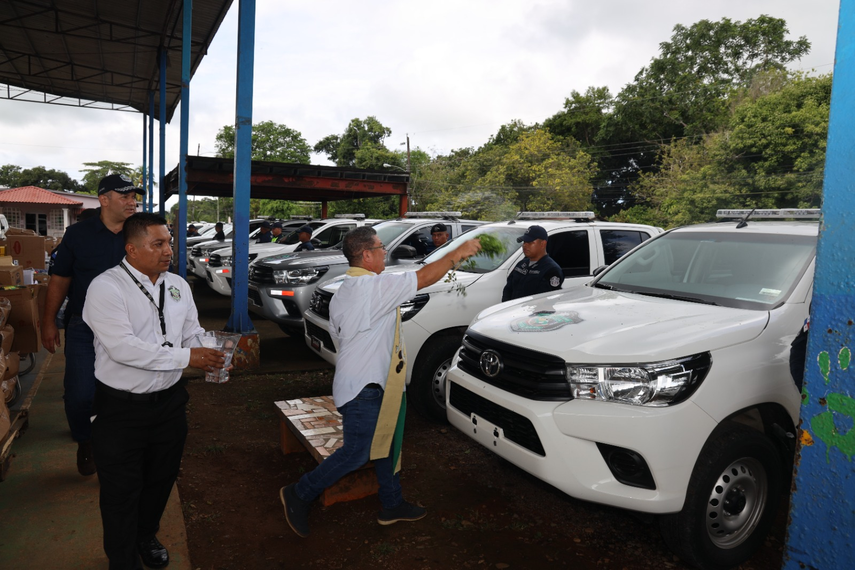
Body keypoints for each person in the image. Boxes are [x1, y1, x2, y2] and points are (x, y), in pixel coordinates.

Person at [280, 226, 481, 538]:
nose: (385, 251)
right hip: (365, 387)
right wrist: (457, 254)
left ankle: (391, 503)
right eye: (380, 247)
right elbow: (425, 277)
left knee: (387, 444)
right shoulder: (374, 287)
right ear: (366, 255)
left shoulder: (345, 288)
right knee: (358, 452)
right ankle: (300, 492)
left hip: (370, 381)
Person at [82, 212, 227, 570]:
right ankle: (122, 559)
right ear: (131, 249)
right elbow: (123, 348)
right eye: (158, 243)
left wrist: (211, 350)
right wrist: (188, 356)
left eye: (169, 241)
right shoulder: (106, 287)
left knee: (161, 478)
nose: (168, 250)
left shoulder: (178, 284)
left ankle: (145, 534)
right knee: (120, 491)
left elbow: (191, 332)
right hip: (121, 409)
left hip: (169, 405)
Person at [42, 174, 142, 477]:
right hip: (84, 328)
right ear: (104, 200)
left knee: (129, 392)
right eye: (124, 196)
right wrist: (48, 321)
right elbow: (60, 279)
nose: (131, 201)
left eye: (133, 196)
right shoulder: (78, 234)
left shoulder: (141, 232)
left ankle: (123, 451)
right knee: (80, 393)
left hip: (132, 328)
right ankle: (85, 441)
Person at [501, 224, 564, 302]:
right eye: (524, 242)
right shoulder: (521, 264)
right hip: (513, 311)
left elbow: (545, 301)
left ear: (542, 244)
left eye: (530, 242)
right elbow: (508, 289)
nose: (525, 245)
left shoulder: (551, 270)